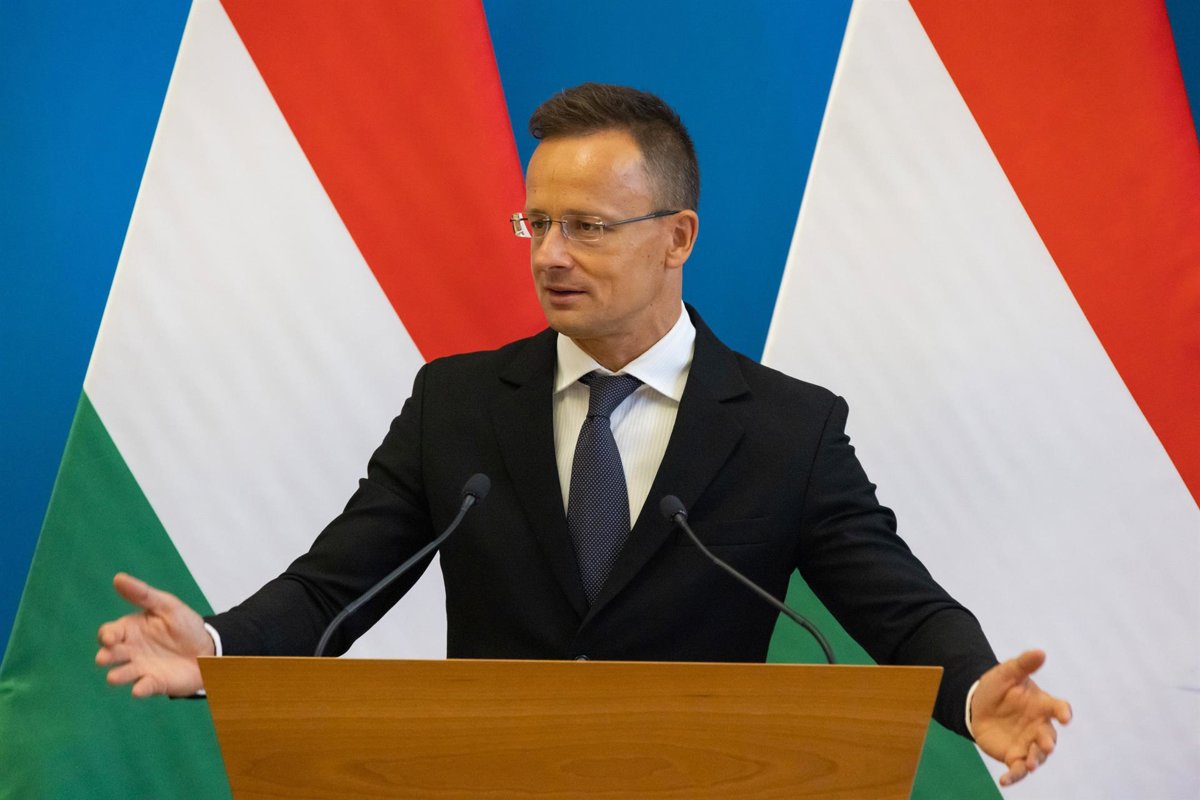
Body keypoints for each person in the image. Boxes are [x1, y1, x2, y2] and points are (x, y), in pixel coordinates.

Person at [97, 83, 1070, 787]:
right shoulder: (457, 402)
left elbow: (897, 607)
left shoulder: (788, 428)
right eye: (538, 223)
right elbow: (334, 586)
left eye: (589, 227)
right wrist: (215, 646)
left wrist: (974, 690)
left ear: (677, 236)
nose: (552, 256)